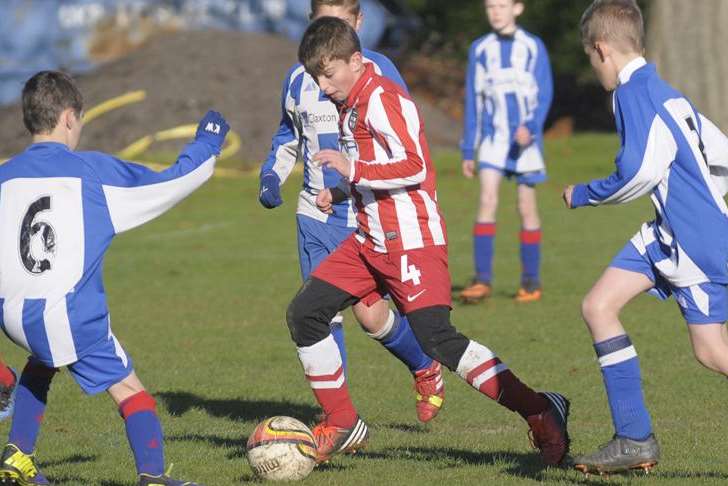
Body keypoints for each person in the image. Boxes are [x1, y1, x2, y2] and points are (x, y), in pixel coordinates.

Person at [288, 16, 570, 465]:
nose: (323, 87)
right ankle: (342, 422)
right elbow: (373, 164)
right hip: (369, 240)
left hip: (411, 242)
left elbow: (415, 166)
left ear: (356, 62)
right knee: (306, 313)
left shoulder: (382, 98)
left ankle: (540, 410)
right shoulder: (351, 103)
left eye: (328, 74)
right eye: (317, 78)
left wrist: (351, 171)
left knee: (439, 341)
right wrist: (340, 191)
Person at [0, 70, 228, 485]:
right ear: (69, 117)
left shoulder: (4, 176)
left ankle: (17, 457)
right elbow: (174, 182)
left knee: (43, 359)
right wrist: (208, 143)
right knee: (129, 388)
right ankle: (153, 477)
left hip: (12, 315)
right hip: (68, 314)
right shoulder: (91, 173)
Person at [258, 0, 445, 423]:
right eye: (322, 24)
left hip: (367, 217)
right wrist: (272, 176)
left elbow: (404, 141)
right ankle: (339, 420)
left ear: (357, 26)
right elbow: (287, 136)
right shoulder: (296, 79)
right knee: (318, 313)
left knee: (372, 315)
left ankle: (424, 365)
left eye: (339, 25)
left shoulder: (380, 73)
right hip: (315, 217)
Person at [564, 0, 728, 474]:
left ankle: (634, 439)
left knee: (712, 351)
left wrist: (584, 194)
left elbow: (637, 172)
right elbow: (718, 151)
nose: (594, 70)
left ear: (601, 50)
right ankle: (633, 439)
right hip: (666, 233)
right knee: (598, 306)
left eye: (591, 59)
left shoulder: (636, 94)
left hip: (693, 244)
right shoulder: (663, 90)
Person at [459, 0, 553, 304]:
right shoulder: (480, 49)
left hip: (526, 143)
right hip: (493, 139)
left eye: (501, 5)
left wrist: (532, 127)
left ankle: (530, 281)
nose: (495, 12)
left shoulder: (533, 47)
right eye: (490, 6)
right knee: (487, 200)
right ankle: (481, 280)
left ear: (518, 8)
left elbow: (544, 92)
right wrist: (468, 150)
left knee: (526, 208)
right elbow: (474, 101)